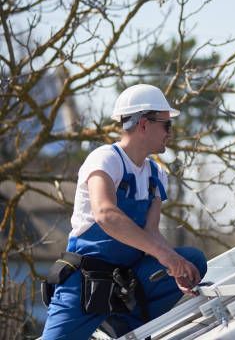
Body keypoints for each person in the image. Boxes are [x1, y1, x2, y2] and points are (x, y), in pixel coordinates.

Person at [42, 84, 207, 339]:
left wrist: (175, 265)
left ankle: (123, 324)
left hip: (127, 283)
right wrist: (166, 256)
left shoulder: (157, 175)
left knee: (192, 262)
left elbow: (151, 233)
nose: (170, 133)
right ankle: (108, 322)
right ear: (143, 124)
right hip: (87, 281)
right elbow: (105, 214)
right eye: (166, 125)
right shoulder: (105, 159)